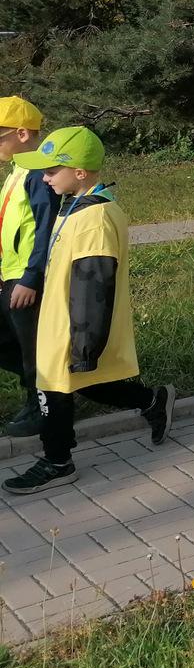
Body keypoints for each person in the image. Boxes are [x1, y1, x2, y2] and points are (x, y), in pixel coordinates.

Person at [2, 127, 174, 495]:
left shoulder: (94, 218)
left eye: (51, 171)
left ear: (79, 172)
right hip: (57, 320)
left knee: (54, 387)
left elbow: (93, 286)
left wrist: (84, 346)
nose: (44, 178)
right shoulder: (75, 206)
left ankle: (57, 461)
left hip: (71, 325)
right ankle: (151, 400)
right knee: (83, 383)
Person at [0, 96, 59, 439]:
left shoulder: (38, 174)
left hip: (24, 279)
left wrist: (31, 277)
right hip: (8, 275)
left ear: (22, 134)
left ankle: (41, 407)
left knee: (33, 349)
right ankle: (37, 391)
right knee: (15, 345)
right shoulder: (17, 171)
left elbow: (44, 228)